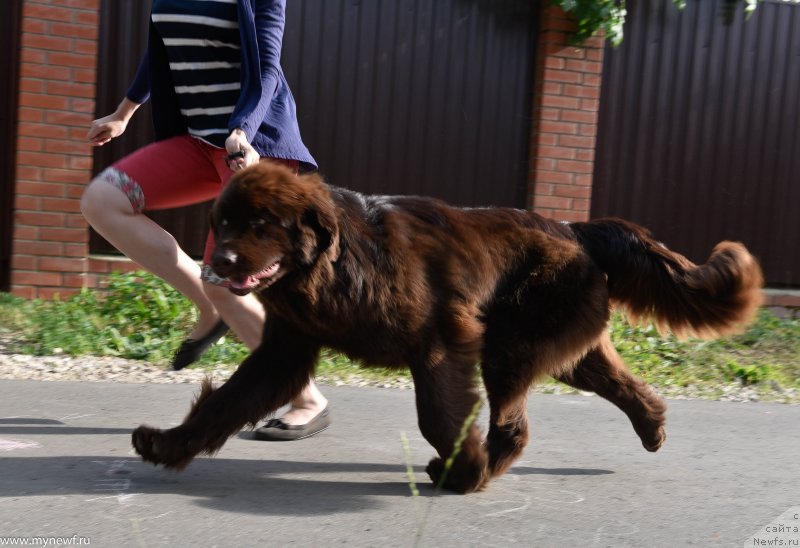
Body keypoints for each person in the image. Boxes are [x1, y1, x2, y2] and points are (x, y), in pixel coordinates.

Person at [81, 0, 330, 441]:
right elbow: (161, 48)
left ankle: (308, 398)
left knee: (229, 282)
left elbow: (268, 68)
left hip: (252, 146)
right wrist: (124, 113)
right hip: (197, 143)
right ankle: (209, 303)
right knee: (103, 200)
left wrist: (242, 129)